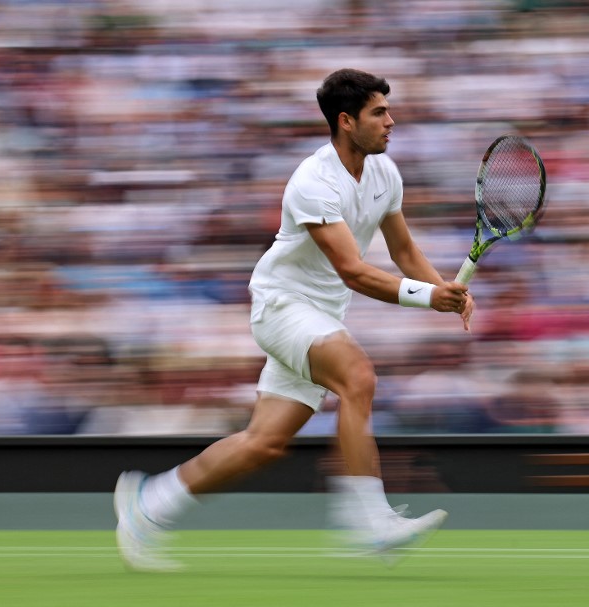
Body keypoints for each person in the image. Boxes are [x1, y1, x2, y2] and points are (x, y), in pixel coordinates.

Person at [114, 68, 473, 572]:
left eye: (389, 110)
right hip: (282, 306)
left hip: (319, 315)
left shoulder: (385, 174)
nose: (391, 121)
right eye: (379, 113)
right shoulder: (312, 181)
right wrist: (425, 296)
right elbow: (352, 271)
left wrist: (443, 289)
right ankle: (371, 521)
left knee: (264, 442)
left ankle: (150, 504)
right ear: (346, 121)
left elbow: (403, 248)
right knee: (358, 378)